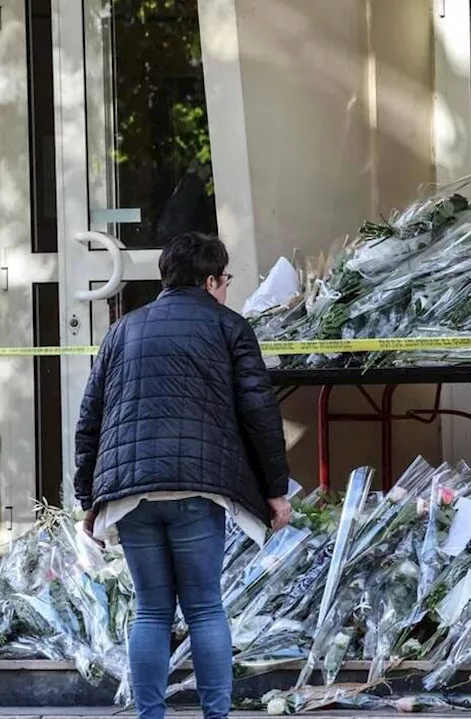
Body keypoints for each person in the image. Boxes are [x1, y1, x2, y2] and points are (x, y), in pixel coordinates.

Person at [73, 232, 293, 719]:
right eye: (226, 280)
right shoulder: (230, 327)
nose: (227, 289)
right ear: (212, 279)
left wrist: (88, 495)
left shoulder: (122, 329)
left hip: (130, 493)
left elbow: (90, 417)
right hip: (199, 486)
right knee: (205, 608)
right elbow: (260, 414)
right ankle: (217, 715)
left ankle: (150, 716)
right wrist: (276, 492)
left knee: (151, 611)